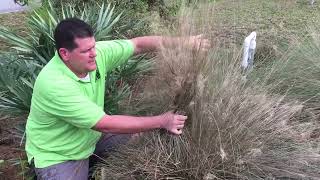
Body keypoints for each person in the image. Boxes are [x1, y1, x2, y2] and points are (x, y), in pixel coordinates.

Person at [25, 17, 209, 180]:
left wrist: (184, 42)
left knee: (141, 137)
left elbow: (137, 44)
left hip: (90, 137)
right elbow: (105, 123)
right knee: (147, 126)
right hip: (59, 155)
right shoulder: (55, 84)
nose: (95, 54)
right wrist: (162, 121)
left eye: (94, 46)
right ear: (65, 54)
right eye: (86, 50)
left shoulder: (96, 55)